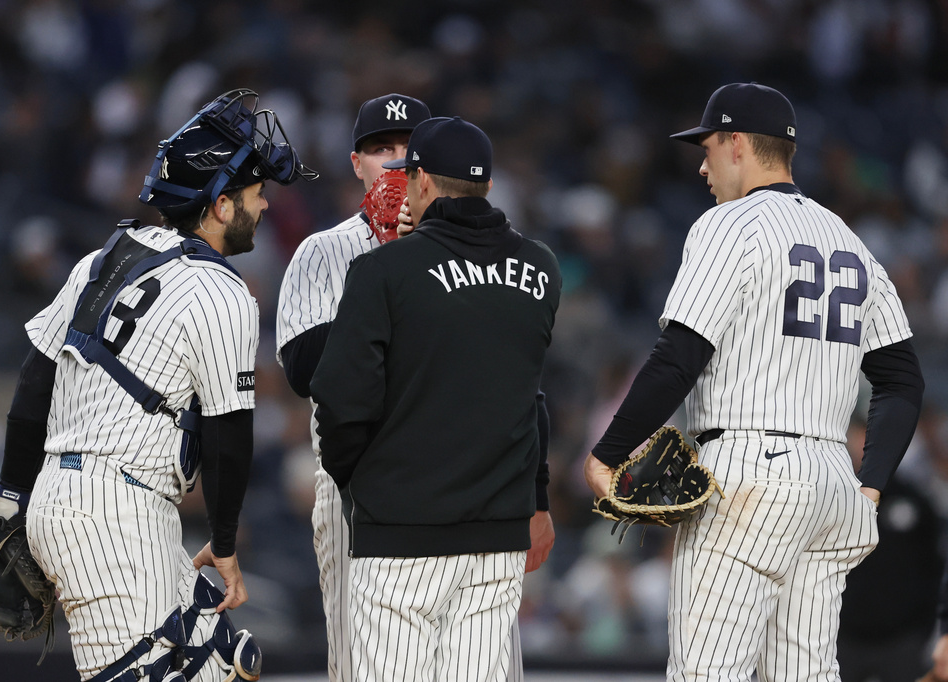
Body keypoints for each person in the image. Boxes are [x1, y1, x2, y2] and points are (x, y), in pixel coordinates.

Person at [583, 82, 924, 681]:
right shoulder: (849, 240)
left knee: (707, 673)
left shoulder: (729, 224)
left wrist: (609, 452)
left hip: (750, 474)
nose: (701, 163)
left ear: (737, 142)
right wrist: (868, 487)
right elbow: (901, 380)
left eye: (708, 146)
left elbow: (679, 354)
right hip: (831, 484)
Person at [0, 88, 317, 681]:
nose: (263, 206)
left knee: (224, 669)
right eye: (255, 193)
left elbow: (36, 379)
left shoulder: (100, 260)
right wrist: (228, 543)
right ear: (218, 204)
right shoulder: (222, 292)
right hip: (114, 516)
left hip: (92, 504)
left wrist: (10, 491)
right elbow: (229, 433)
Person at [275, 96, 555, 681]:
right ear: (357, 164)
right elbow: (306, 372)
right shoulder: (326, 250)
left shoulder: (492, 253)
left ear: (427, 169)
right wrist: (405, 279)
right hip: (361, 488)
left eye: (408, 149)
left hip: (462, 486)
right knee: (359, 662)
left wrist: (412, 273)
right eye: (382, 149)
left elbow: (520, 385)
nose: (396, 163)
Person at [837, 418, 943, 681]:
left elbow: (934, 563)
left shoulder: (912, 498)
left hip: (903, 639)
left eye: (870, 440)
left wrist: (924, 624)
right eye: (859, 439)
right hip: (843, 635)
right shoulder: (836, 500)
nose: (863, 447)